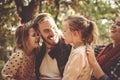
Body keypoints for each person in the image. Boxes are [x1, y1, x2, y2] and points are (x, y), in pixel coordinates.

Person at [33, 13, 72, 80]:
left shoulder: (69, 47)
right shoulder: (37, 51)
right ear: (38, 33)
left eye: (54, 27)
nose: (53, 33)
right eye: (46, 30)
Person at [61, 15, 99, 80]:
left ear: (75, 33)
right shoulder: (79, 48)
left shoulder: (79, 53)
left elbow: (69, 78)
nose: (63, 33)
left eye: (65, 30)